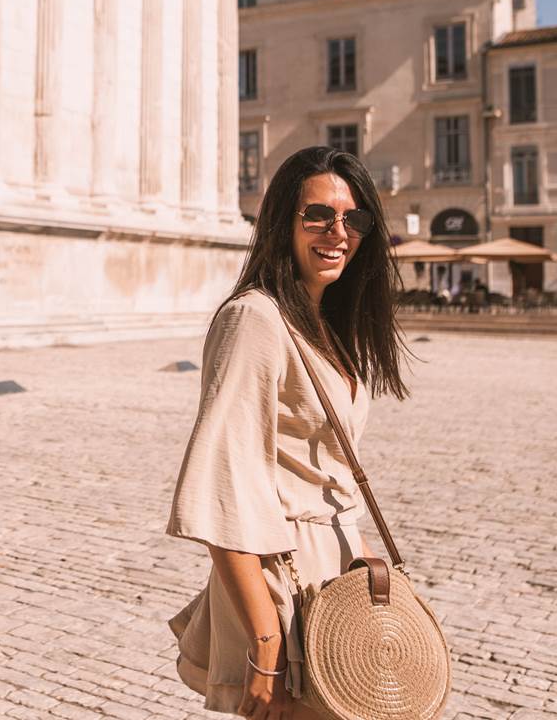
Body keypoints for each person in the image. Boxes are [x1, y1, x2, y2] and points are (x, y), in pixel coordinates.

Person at [164, 146, 411, 718]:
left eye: (354, 219)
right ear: (283, 222)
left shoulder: (325, 323)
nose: (338, 232)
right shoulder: (256, 319)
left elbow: (329, 472)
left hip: (340, 575)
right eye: (318, 215)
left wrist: (369, 574)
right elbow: (221, 490)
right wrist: (266, 646)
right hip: (285, 580)